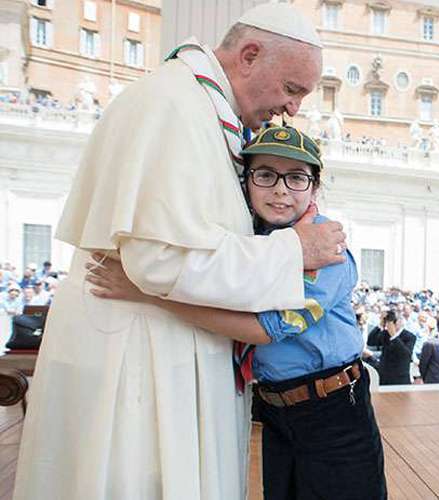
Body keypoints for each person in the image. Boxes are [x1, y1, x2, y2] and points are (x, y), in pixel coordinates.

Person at [13, 5, 346, 500]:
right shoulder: (172, 106)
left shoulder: (199, 108)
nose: (292, 109)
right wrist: (292, 251)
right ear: (250, 56)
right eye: (292, 89)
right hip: (135, 358)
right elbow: (158, 260)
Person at [88, 124, 387, 500]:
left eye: (296, 177)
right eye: (265, 175)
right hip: (276, 412)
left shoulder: (326, 247)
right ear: (246, 182)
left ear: (315, 187)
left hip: (335, 412)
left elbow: (264, 329)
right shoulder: (245, 241)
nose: (280, 189)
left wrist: (149, 292)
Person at [376, 310, 416, 385]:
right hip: (384, 379)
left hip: (400, 380)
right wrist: (381, 324)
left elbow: (406, 355)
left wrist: (394, 336)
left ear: (400, 321)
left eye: (394, 320)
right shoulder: (385, 334)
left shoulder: (409, 336)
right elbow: (371, 341)